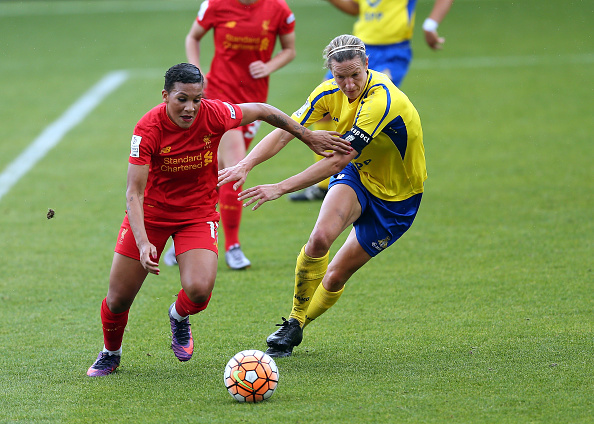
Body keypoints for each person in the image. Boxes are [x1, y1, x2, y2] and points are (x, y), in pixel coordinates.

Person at [86, 63, 350, 377]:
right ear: (165, 96)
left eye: (197, 99)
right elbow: (133, 193)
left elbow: (264, 110)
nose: (190, 108)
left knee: (199, 289)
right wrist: (143, 243)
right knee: (118, 300)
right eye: (182, 99)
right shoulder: (148, 129)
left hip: (196, 214)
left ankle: (179, 316)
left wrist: (307, 136)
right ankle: (110, 353)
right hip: (151, 217)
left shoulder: (215, 113)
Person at [218, 34, 426, 358]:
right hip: (360, 176)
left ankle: (302, 324)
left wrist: (279, 187)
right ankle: (293, 322)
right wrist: (247, 163)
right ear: (332, 72)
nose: (349, 84)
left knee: (336, 273)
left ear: (367, 65)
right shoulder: (328, 92)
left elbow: (338, 159)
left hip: (398, 200)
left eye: (355, 75)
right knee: (318, 240)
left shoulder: (381, 99)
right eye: (340, 76)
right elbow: (287, 131)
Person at [163, 0, 297, 270]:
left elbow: (290, 50)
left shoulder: (279, 9)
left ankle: (183, 237)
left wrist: (269, 66)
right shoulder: (215, 4)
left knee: (214, 171)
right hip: (218, 97)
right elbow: (193, 36)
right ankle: (232, 246)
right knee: (235, 167)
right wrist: (197, 73)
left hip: (254, 103)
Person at [289, 0, 451, 201]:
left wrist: (430, 24)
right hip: (357, 47)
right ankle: (325, 185)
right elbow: (356, 8)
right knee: (325, 112)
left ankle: (376, 178)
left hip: (392, 50)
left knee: (373, 112)